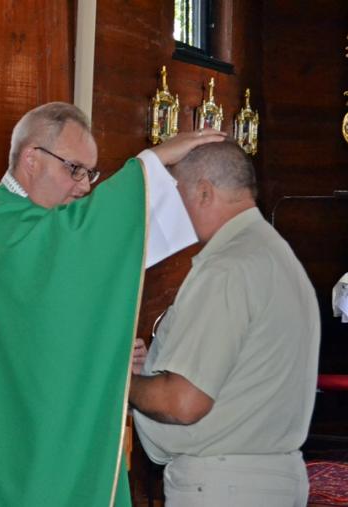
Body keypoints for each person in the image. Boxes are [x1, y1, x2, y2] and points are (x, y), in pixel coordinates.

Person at [0, 102, 224, 507]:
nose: (84, 187)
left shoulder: (32, 231)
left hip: (27, 436)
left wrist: (107, 349)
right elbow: (65, 245)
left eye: (90, 174)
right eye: (74, 169)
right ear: (31, 159)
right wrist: (150, 163)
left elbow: (42, 332)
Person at [130, 141, 320, 506]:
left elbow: (184, 402)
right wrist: (148, 372)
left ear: (204, 192)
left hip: (225, 484)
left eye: (178, 195)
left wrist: (125, 382)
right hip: (269, 477)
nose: (176, 211)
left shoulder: (227, 266)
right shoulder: (275, 253)